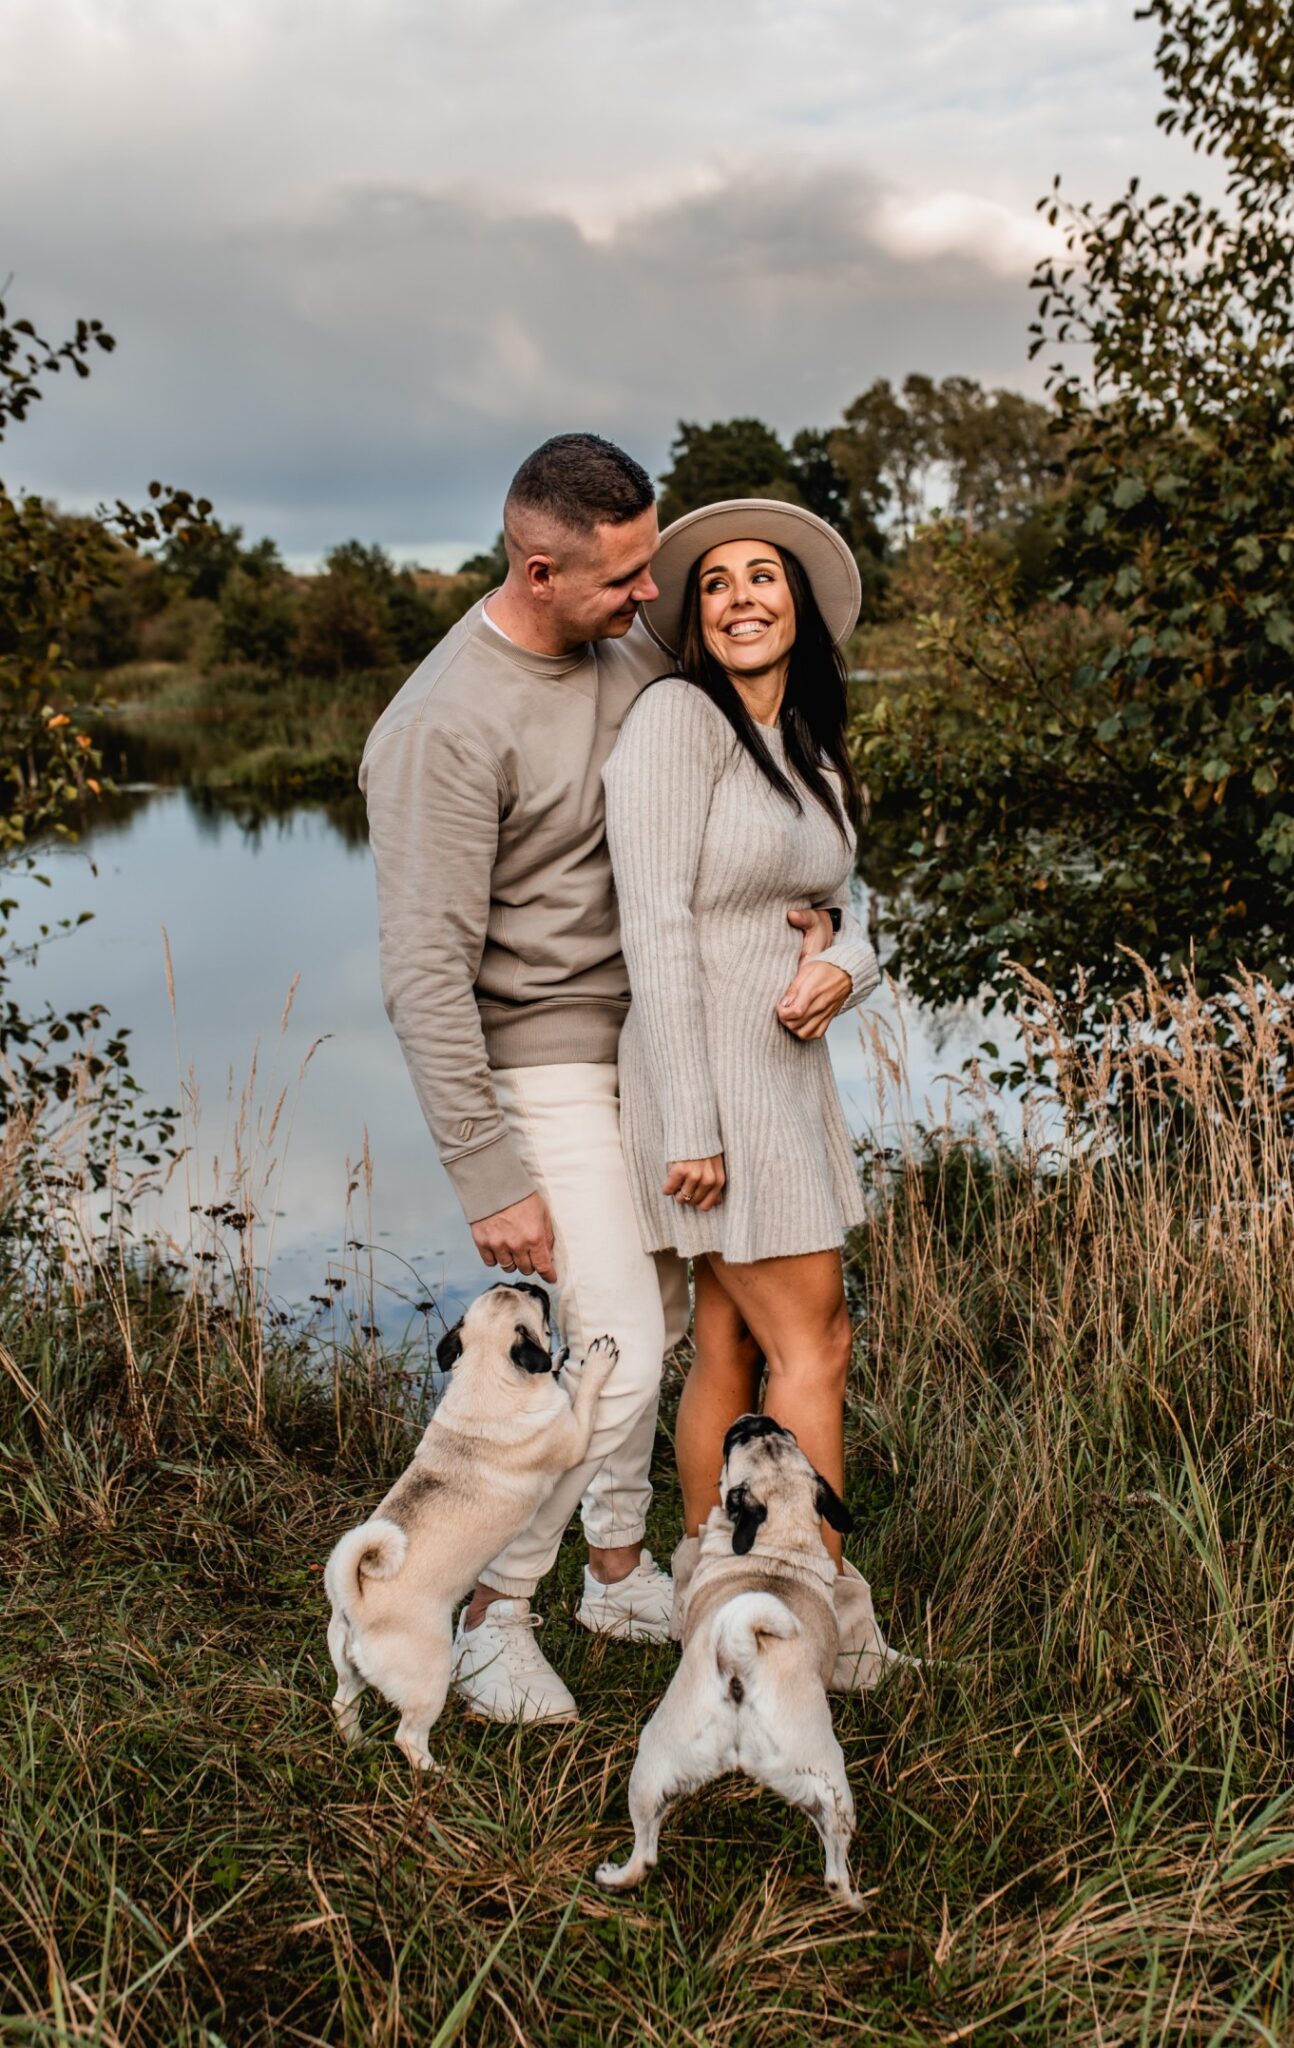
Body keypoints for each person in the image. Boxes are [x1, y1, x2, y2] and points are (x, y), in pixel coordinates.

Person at [359, 442, 844, 1722]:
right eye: (626, 577)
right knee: (620, 1342)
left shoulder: (625, 652)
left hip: (655, 1049)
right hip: (542, 1060)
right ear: (539, 571)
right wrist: (488, 1171)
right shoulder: (441, 725)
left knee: (663, 1322)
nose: (651, 597)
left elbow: (746, 825)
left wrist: (826, 933)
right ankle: (488, 1612)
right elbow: (422, 974)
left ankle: (616, 1570)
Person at [602, 498, 899, 1686]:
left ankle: (714, 1604)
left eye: (761, 575)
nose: (738, 596)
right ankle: (822, 1628)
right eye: (714, 582)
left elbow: (844, 908)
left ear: (799, 603)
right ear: (695, 618)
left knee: (727, 1342)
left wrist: (847, 962)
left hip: (783, 1078)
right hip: (711, 1081)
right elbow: (653, 924)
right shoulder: (677, 719)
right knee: (813, 1340)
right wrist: (690, 1123)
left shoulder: (807, 744)